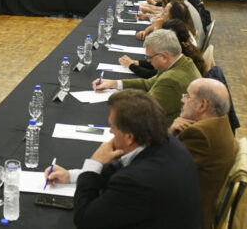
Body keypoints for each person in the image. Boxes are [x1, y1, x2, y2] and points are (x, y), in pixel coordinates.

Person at [44, 89, 201, 228]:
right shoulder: (165, 141)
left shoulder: (137, 181)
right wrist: (71, 176)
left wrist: (94, 163)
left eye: (112, 127)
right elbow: (123, 165)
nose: (110, 131)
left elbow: (85, 220)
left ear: (129, 137)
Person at [169, 78, 238, 229]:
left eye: (187, 96)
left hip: (184, 217)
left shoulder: (199, 135)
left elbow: (163, 170)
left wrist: (169, 133)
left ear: (202, 105)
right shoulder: (220, 122)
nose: (182, 100)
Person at [94, 29, 201, 126]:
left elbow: (144, 111)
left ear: (164, 56)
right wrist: (114, 84)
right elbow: (148, 84)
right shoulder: (181, 62)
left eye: (149, 57)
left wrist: (120, 96)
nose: (147, 61)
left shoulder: (171, 80)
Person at [120, 18, 208, 78]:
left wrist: (131, 65)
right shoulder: (185, 45)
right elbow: (155, 62)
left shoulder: (180, 54)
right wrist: (137, 62)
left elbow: (152, 74)